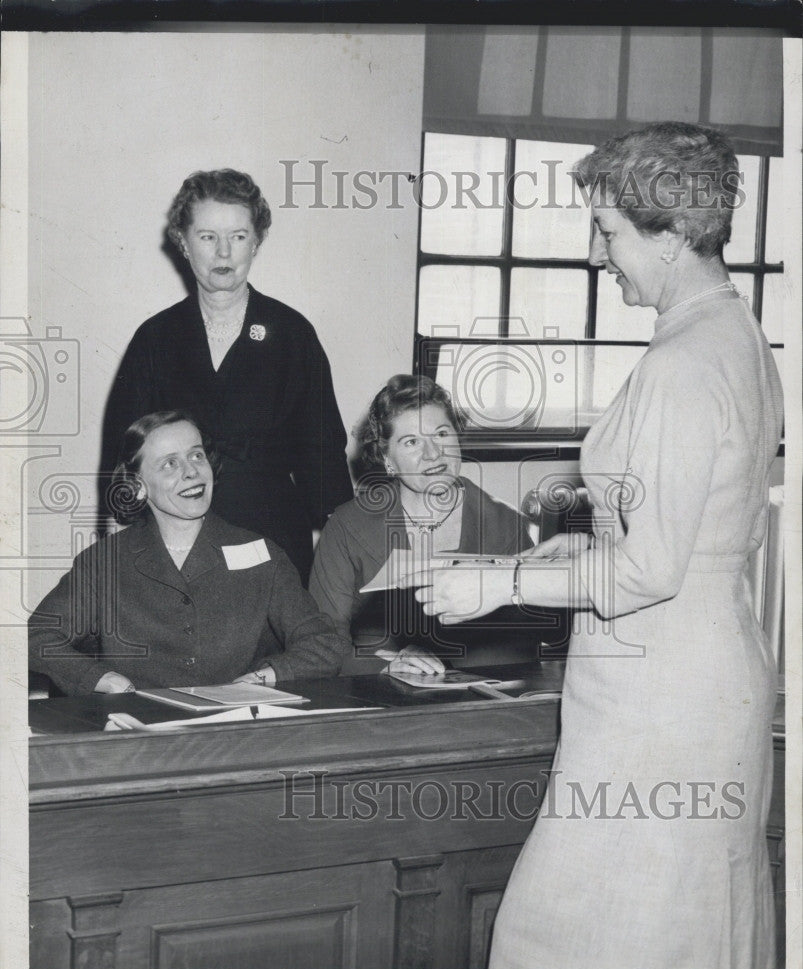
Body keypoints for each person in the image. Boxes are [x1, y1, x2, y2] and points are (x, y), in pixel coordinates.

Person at [410, 123, 783, 969]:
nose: (594, 255)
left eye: (609, 233)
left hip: (663, 697)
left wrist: (500, 581)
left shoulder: (683, 363)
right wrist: (552, 561)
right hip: (691, 668)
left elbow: (651, 567)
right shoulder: (734, 339)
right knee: (666, 933)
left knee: (573, 941)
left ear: (676, 233)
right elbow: (704, 538)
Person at [101, 169, 353, 584]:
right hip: (174, 541)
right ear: (183, 243)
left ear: (256, 241)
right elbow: (123, 458)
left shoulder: (292, 334)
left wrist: (348, 555)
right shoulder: (155, 338)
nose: (223, 253)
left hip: (270, 541)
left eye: (237, 236)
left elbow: (322, 456)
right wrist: (120, 551)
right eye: (207, 237)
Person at [30, 411, 346, 696]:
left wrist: (265, 678)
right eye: (170, 463)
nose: (191, 472)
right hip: (139, 736)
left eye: (196, 456)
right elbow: (37, 638)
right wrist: (100, 678)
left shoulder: (264, 555)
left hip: (241, 730)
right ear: (138, 485)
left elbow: (324, 643)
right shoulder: (103, 563)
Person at [309, 374, 564, 676]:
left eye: (441, 434)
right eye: (412, 442)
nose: (433, 454)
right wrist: (383, 667)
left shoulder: (503, 523)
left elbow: (534, 633)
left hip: (484, 693)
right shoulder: (347, 526)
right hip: (377, 695)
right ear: (386, 458)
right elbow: (320, 639)